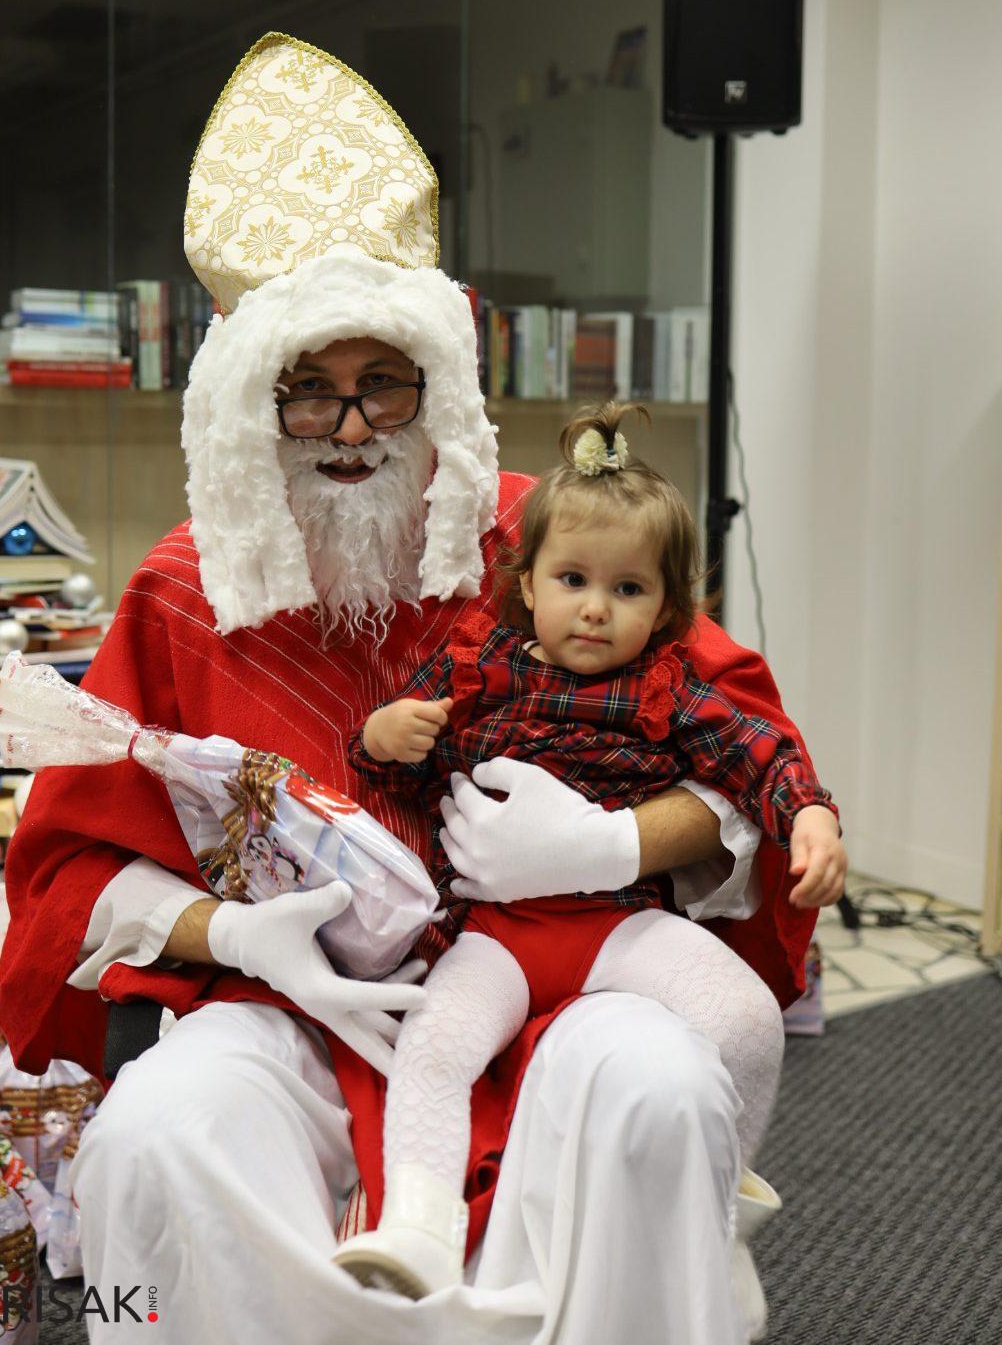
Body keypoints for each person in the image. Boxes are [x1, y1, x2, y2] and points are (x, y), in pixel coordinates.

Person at [0, 34, 832, 1345]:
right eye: (306, 391)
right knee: (158, 1133)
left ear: (432, 383)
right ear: (242, 405)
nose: (347, 427)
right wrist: (238, 937)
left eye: (381, 382)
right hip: (294, 1002)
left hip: (564, 969)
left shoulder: (555, 545)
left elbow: (740, 766)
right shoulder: (180, 590)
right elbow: (68, 871)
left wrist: (614, 840)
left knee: (663, 1086)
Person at [333, 401, 845, 1321]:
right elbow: (375, 765)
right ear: (527, 585)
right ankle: (416, 1225)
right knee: (435, 1050)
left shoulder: (669, 690)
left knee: (748, 1020)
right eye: (573, 579)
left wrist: (809, 814)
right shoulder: (473, 667)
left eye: (630, 590)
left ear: (670, 609)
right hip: (495, 932)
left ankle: (718, 1211)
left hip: (618, 922)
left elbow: (759, 752)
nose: (598, 609)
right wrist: (383, 733)